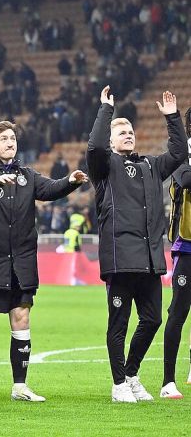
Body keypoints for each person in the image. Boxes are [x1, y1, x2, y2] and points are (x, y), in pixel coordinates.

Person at [0, 120, 88, 403]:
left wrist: (70, 181)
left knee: (21, 318)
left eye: (13, 139)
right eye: (4, 139)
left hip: (21, 263)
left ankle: (20, 387)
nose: (10, 143)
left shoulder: (26, 175)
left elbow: (50, 189)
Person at [86, 86, 186, 403]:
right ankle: (119, 385)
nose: (127, 135)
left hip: (150, 258)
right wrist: (106, 112)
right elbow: (94, 148)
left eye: (130, 131)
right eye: (121, 132)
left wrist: (172, 118)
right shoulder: (105, 168)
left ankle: (131, 373)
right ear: (111, 141)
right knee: (119, 324)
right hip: (119, 258)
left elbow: (179, 154)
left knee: (153, 319)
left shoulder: (150, 166)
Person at [161, 107, 191, 399]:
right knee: (179, 311)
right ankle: (168, 381)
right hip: (188, 245)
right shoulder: (182, 155)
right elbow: (185, 179)